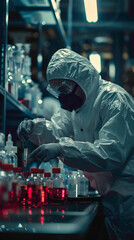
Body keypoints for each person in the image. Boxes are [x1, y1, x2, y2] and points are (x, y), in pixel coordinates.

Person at [17, 48, 134, 240]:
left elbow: (111, 153)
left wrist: (63, 148)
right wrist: (33, 128)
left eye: (64, 89)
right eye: (57, 91)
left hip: (128, 199)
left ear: (81, 79)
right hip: (110, 198)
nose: (61, 96)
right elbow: (55, 130)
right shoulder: (76, 107)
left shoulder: (113, 99)